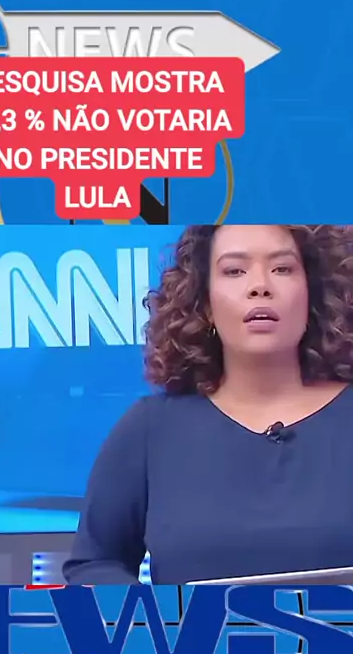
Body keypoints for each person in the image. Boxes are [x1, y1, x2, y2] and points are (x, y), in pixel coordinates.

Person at [63, 224, 353, 585]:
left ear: (313, 294)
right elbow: (93, 565)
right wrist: (164, 617)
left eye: (282, 268)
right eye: (235, 271)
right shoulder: (150, 430)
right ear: (205, 305)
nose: (260, 286)